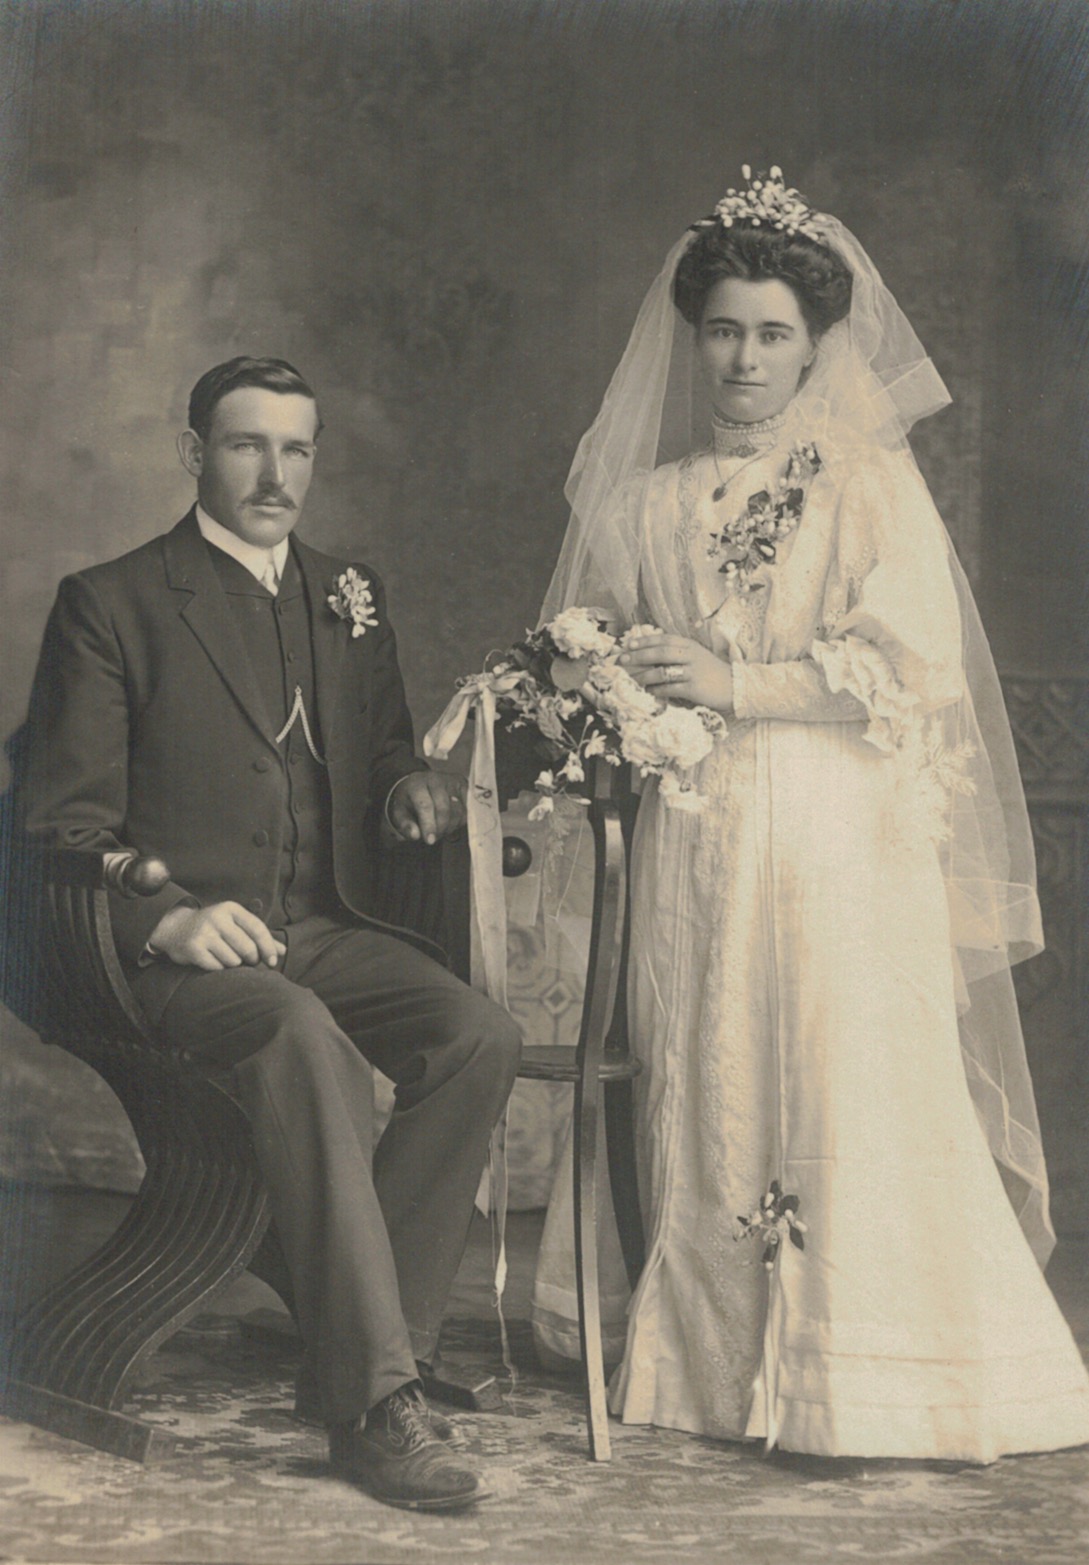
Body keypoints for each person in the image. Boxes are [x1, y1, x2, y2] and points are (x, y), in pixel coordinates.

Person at [536, 170, 1089, 1461]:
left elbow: (910, 666)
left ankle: (862, 1375)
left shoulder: (863, 483)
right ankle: (714, 1370)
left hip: (835, 832)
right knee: (707, 1064)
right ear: (694, 338)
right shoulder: (639, 502)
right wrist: (607, 680)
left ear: (815, 344)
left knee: (838, 1073)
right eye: (724, 330)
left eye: (772, 333)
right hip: (695, 830)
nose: (744, 358)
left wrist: (738, 685)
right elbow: (599, 651)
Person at [20, 356, 521, 1510]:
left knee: (476, 1035)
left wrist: (411, 789)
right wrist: (166, 916)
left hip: (320, 923)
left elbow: (384, 750)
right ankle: (372, 1404)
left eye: (296, 448)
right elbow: (58, 825)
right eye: (247, 445)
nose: (273, 474)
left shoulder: (350, 591)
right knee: (302, 1034)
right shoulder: (113, 600)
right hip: (168, 953)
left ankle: (379, 1342)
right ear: (195, 453)